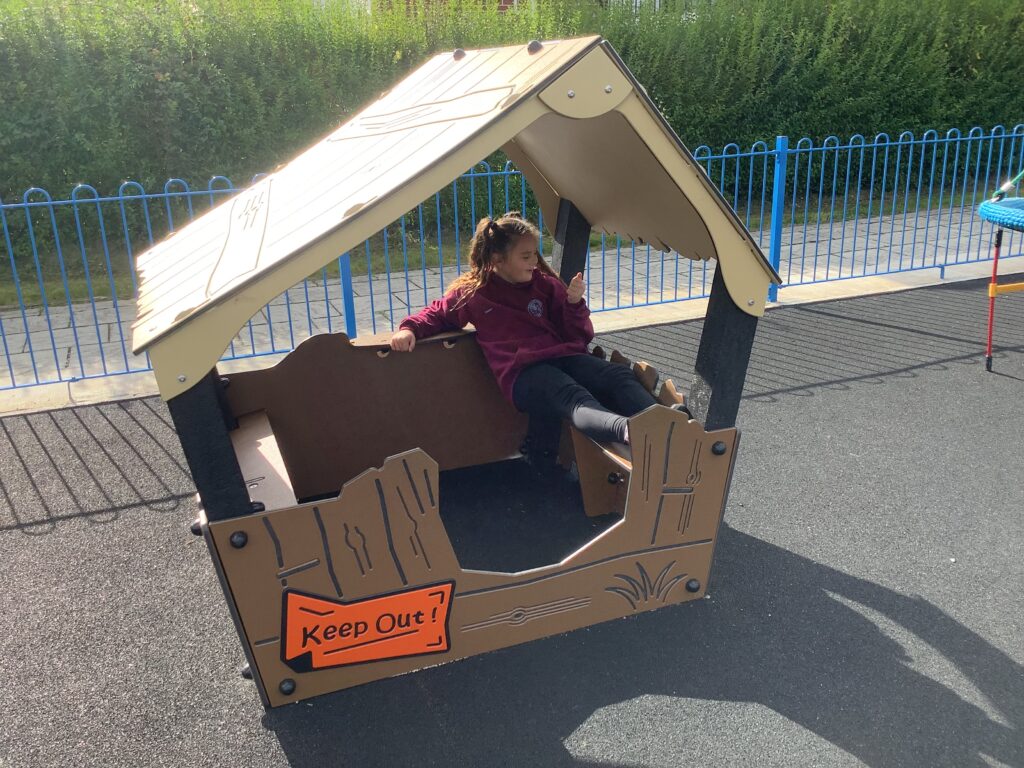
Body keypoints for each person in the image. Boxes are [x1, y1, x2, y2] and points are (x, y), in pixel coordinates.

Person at [390, 212, 663, 446]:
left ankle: (669, 420)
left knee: (616, 374)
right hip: (523, 373)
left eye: (534, 254)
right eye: (525, 256)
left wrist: (573, 304)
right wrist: (409, 329)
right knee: (570, 394)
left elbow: (577, 336)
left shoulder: (545, 285)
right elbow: (438, 314)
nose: (534, 261)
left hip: (560, 357)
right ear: (497, 259)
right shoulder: (474, 293)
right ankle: (627, 430)